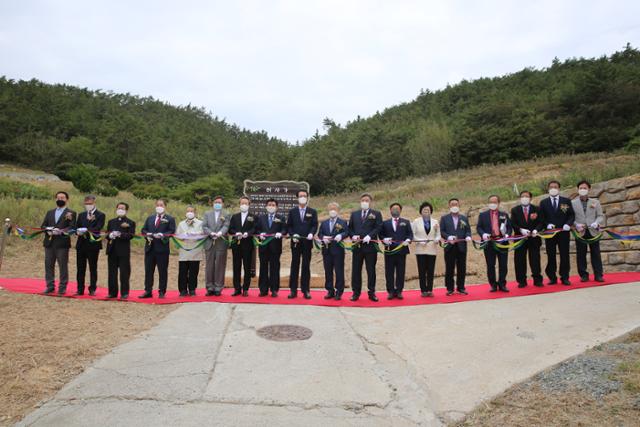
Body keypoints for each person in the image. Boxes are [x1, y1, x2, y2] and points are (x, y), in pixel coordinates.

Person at [348, 193, 383, 302]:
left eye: (367, 200)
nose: (364, 202)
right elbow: (350, 228)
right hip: (357, 246)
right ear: (360, 201)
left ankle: (371, 292)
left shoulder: (376, 214)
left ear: (370, 202)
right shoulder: (354, 214)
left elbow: (379, 227)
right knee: (356, 270)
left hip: (370, 247)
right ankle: (356, 292)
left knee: (371, 270)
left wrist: (370, 236)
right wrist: (353, 235)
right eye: (363, 200)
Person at [539, 180, 575, 286]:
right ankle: (552, 277)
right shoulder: (543, 202)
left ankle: (565, 277)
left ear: (559, 189)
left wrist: (568, 224)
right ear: (548, 189)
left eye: (555, 187)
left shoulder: (566, 201)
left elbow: (571, 215)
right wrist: (547, 225)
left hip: (563, 233)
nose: (553, 188)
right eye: (551, 187)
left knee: (564, 255)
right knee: (551, 255)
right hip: (550, 234)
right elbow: (541, 218)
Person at [41, 191, 77, 295]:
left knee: (62, 266)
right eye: (58, 197)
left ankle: (62, 287)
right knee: (48, 265)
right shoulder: (50, 212)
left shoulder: (71, 213)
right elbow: (43, 226)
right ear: (55, 199)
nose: (60, 199)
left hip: (62, 243)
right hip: (49, 243)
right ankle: (50, 286)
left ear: (67, 199)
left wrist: (61, 231)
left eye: (62, 197)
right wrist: (47, 229)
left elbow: (72, 227)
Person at [140, 199, 176, 298]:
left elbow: (172, 231)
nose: (159, 206)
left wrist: (163, 235)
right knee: (148, 271)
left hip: (162, 249)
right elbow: (143, 229)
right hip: (150, 248)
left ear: (165, 207)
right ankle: (148, 291)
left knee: (162, 271)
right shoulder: (150, 218)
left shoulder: (169, 219)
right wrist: (147, 234)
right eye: (158, 205)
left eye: (161, 205)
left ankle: (162, 291)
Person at [477, 195, 513, 292]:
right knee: (490, 265)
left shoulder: (504, 215)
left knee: (503, 264)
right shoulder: (483, 215)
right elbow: (479, 227)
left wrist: (507, 235)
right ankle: (493, 285)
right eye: (491, 202)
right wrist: (483, 234)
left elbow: (509, 227)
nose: (492, 204)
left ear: (498, 203)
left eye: (494, 202)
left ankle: (502, 284)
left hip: (502, 242)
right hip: (489, 243)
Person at [286, 189, 318, 299]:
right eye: (301, 196)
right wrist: (292, 234)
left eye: (305, 195)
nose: (303, 197)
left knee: (306, 266)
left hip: (307, 242)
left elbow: (314, 225)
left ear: (307, 197)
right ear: (297, 198)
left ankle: (306, 290)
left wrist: (311, 233)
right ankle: (293, 290)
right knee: (294, 265)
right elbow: (289, 226)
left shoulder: (312, 211)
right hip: (295, 242)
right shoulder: (292, 211)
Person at [572, 180, 605, 282]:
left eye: (585, 188)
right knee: (581, 254)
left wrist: (596, 222)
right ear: (577, 190)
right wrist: (576, 225)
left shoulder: (595, 202)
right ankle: (583, 275)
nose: (582, 190)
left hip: (593, 231)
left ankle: (598, 274)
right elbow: (570, 217)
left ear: (589, 189)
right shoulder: (573, 203)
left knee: (596, 253)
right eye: (581, 188)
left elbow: (600, 216)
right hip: (580, 232)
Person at [510, 191, 544, 287]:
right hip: (520, 238)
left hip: (534, 238)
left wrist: (536, 230)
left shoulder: (536, 209)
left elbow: (541, 222)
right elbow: (513, 223)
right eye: (522, 196)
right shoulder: (515, 210)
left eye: (526, 196)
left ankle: (537, 279)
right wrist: (521, 230)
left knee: (535, 259)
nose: (524, 198)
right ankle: (521, 281)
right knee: (520, 260)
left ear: (530, 198)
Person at [380, 203, 413, 300]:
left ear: (400, 210)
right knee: (389, 272)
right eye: (393, 209)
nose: (395, 210)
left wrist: (408, 240)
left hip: (401, 251)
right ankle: (390, 291)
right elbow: (381, 235)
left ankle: (399, 291)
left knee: (400, 272)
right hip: (389, 251)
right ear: (390, 210)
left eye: (397, 209)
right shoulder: (385, 223)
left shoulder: (406, 222)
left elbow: (410, 234)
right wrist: (384, 240)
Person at [74, 195, 105, 296]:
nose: (88, 205)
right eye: (86, 204)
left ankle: (92, 289)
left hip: (93, 245)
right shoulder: (82, 214)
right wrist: (77, 232)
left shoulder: (100, 215)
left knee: (92, 267)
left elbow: (98, 228)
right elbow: (77, 227)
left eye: (90, 203)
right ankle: (80, 289)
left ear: (94, 203)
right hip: (81, 244)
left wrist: (87, 225)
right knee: (80, 268)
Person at [440, 198, 472, 296]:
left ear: (459, 205)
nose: (454, 206)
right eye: (452, 204)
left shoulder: (464, 218)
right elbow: (442, 231)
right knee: (449, 268)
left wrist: (467, 236)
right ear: (449, 206)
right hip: (450, 246)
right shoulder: (444, 218)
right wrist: (448, 237)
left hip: (461, 247)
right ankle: (450, 288)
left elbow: (468, 230)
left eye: (456, 204)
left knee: (462, 268)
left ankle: (461, 287)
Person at [256, 198, 287, 297]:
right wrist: (259, 234)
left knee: (275, 268)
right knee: (263, 268)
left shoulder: (281, 217)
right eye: (269, 205)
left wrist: (280, 233)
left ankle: (274, 289)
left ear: (277, 207)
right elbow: (256, 229)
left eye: (273, 205)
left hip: (275, 247)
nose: (271, 206)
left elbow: (284, 230)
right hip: (263, 246)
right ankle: (263, 289)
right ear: (266, 206)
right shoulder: (261, 218)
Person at [317, 202, 349, 300]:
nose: (332, 210)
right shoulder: (324, 223)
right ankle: (330, 290)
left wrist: (341, 235)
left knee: (339, 271)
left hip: (338, 250)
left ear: (338, 210)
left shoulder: (342, 222)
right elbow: (320, 234)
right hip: (326, 250)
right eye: (331, 208)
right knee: (328, 271)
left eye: (334, 208)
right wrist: (323, 237)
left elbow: (347, 232)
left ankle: (339, 291)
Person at [105, 202, 136, 299]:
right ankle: (112, 292)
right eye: (119, 208)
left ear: (126, 210)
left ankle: (124, 293)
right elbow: (107, 234)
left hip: (123, 251)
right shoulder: (111, 222)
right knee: (112, 273)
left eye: (122, 208)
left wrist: (120, 234)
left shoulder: (130, 222)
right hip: (112, 249)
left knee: (124, 272)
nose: (120, 209)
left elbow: (131, 235)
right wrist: (110, 235)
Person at [202, 196, 230, 296]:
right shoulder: (207, 214)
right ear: (212, 203)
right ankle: (209, 287)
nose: (217, 204)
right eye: (215, 202)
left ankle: (218, 287)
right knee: (209, 266)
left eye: (219, 202)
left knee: (220, 265)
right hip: (209, 242)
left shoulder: (226, 214)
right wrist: (211, 233)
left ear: (222, 204)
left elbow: (226, 225)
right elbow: (204, 226)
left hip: (221, 242)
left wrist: (220, 233)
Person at [228, 196, 256, 296]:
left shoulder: (253, 216)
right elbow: (230, 229)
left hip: (248, 244)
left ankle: (245, 288)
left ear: (249, 205)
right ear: (239, 204)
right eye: (242, 203)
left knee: (247, 267)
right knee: (236, 266)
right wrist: (236, 233)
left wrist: (247, 233)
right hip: (236, 244)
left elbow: (255, 228)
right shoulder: (235, 216)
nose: (244, 205)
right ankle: (237, 288)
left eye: (246, 203)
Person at [411, 202, 440, 297]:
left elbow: (438, 234)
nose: (426, 212)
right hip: (420, 249)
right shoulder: (416, 221)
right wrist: (420, 241)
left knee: (431, 270)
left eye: (428, 210)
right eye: (424, 210)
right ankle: (423, 290)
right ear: (421, 211)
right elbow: (413, 235)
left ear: (431, 211)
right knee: (422, 270)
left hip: (432, 249)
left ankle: (430, 290)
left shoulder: (435, 222)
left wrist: (436, 239)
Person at [176, 206, 204, 297]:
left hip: (195, 250)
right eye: (188, 211)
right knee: (183, 271)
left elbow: (203, 234)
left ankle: (192, 289)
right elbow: (177, 235)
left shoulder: (200, 223)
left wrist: (195, 234)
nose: (190, 212)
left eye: (192, 211)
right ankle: (183, 290)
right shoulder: (181, 224)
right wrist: (183, 235)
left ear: (195, 213)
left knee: (193, 271)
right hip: (184, 249)